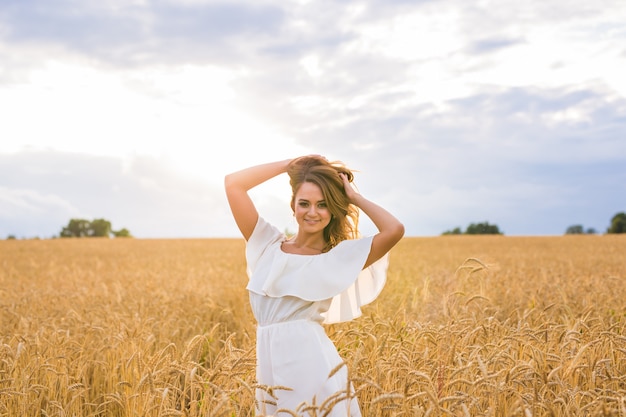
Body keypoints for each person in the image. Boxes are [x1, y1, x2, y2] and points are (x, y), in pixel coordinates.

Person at [224, 155, 404, 416]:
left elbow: (394, 229)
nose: (312, 212)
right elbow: (233, 184)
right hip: (269, 364)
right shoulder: (266, 244)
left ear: (332, 209)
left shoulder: (337, 258)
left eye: (323, 204)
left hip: (312, 366)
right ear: (293, 205)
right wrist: (290, 165)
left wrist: (354, 197)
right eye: (304, 203)